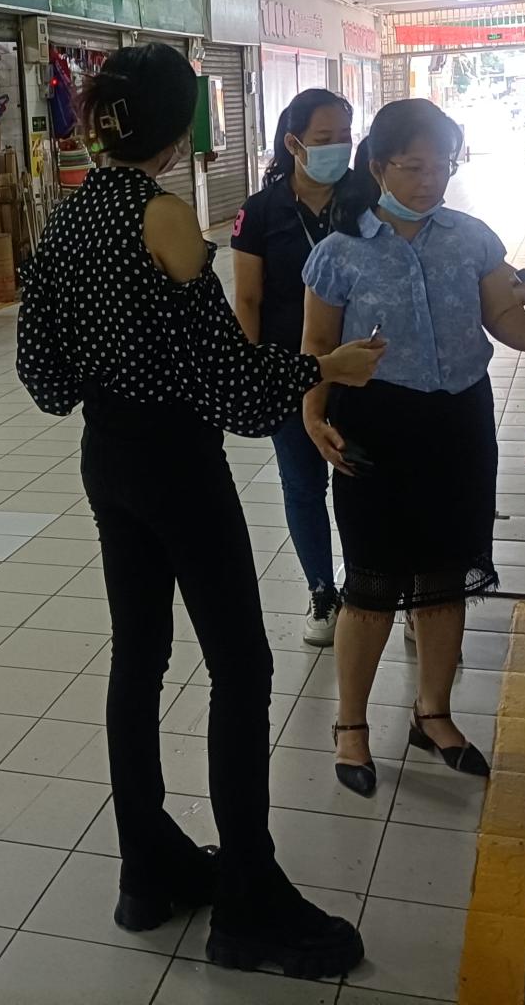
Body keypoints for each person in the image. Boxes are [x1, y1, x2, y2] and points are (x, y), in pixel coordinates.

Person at [16, 43, 387, 981]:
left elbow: (43, 378)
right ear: (182, 130)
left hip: (108, 460)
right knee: (242, 666)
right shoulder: (165, 217)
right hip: (179, 464)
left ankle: (146, 869)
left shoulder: (68, 218)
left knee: (138, 659)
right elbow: (231, 384)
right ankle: (249, 900)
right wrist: (323, 367)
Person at [298, 99, 525, 799]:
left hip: (459, 422)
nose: (430, 179)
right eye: (413, 166)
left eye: (441, 165)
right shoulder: (339, 253)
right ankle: (351, 725)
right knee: (371, 584)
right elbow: (316, 346)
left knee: (444, 576)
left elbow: (502, 315)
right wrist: (313, 415)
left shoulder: (470, 237)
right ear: (379, 166)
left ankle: (432, 714)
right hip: (375, 425)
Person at [231, 88, 353, 647]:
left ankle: (378, 587)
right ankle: (322, 591)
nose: (337, 149)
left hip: (359, 368)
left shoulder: (365, 198)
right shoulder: (260, 212)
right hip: (289, 370)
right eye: (324, 139)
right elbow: (248, 299)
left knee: (363, 480)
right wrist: (248, 373)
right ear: (293, 143)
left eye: (344, 138)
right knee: (303, 485)